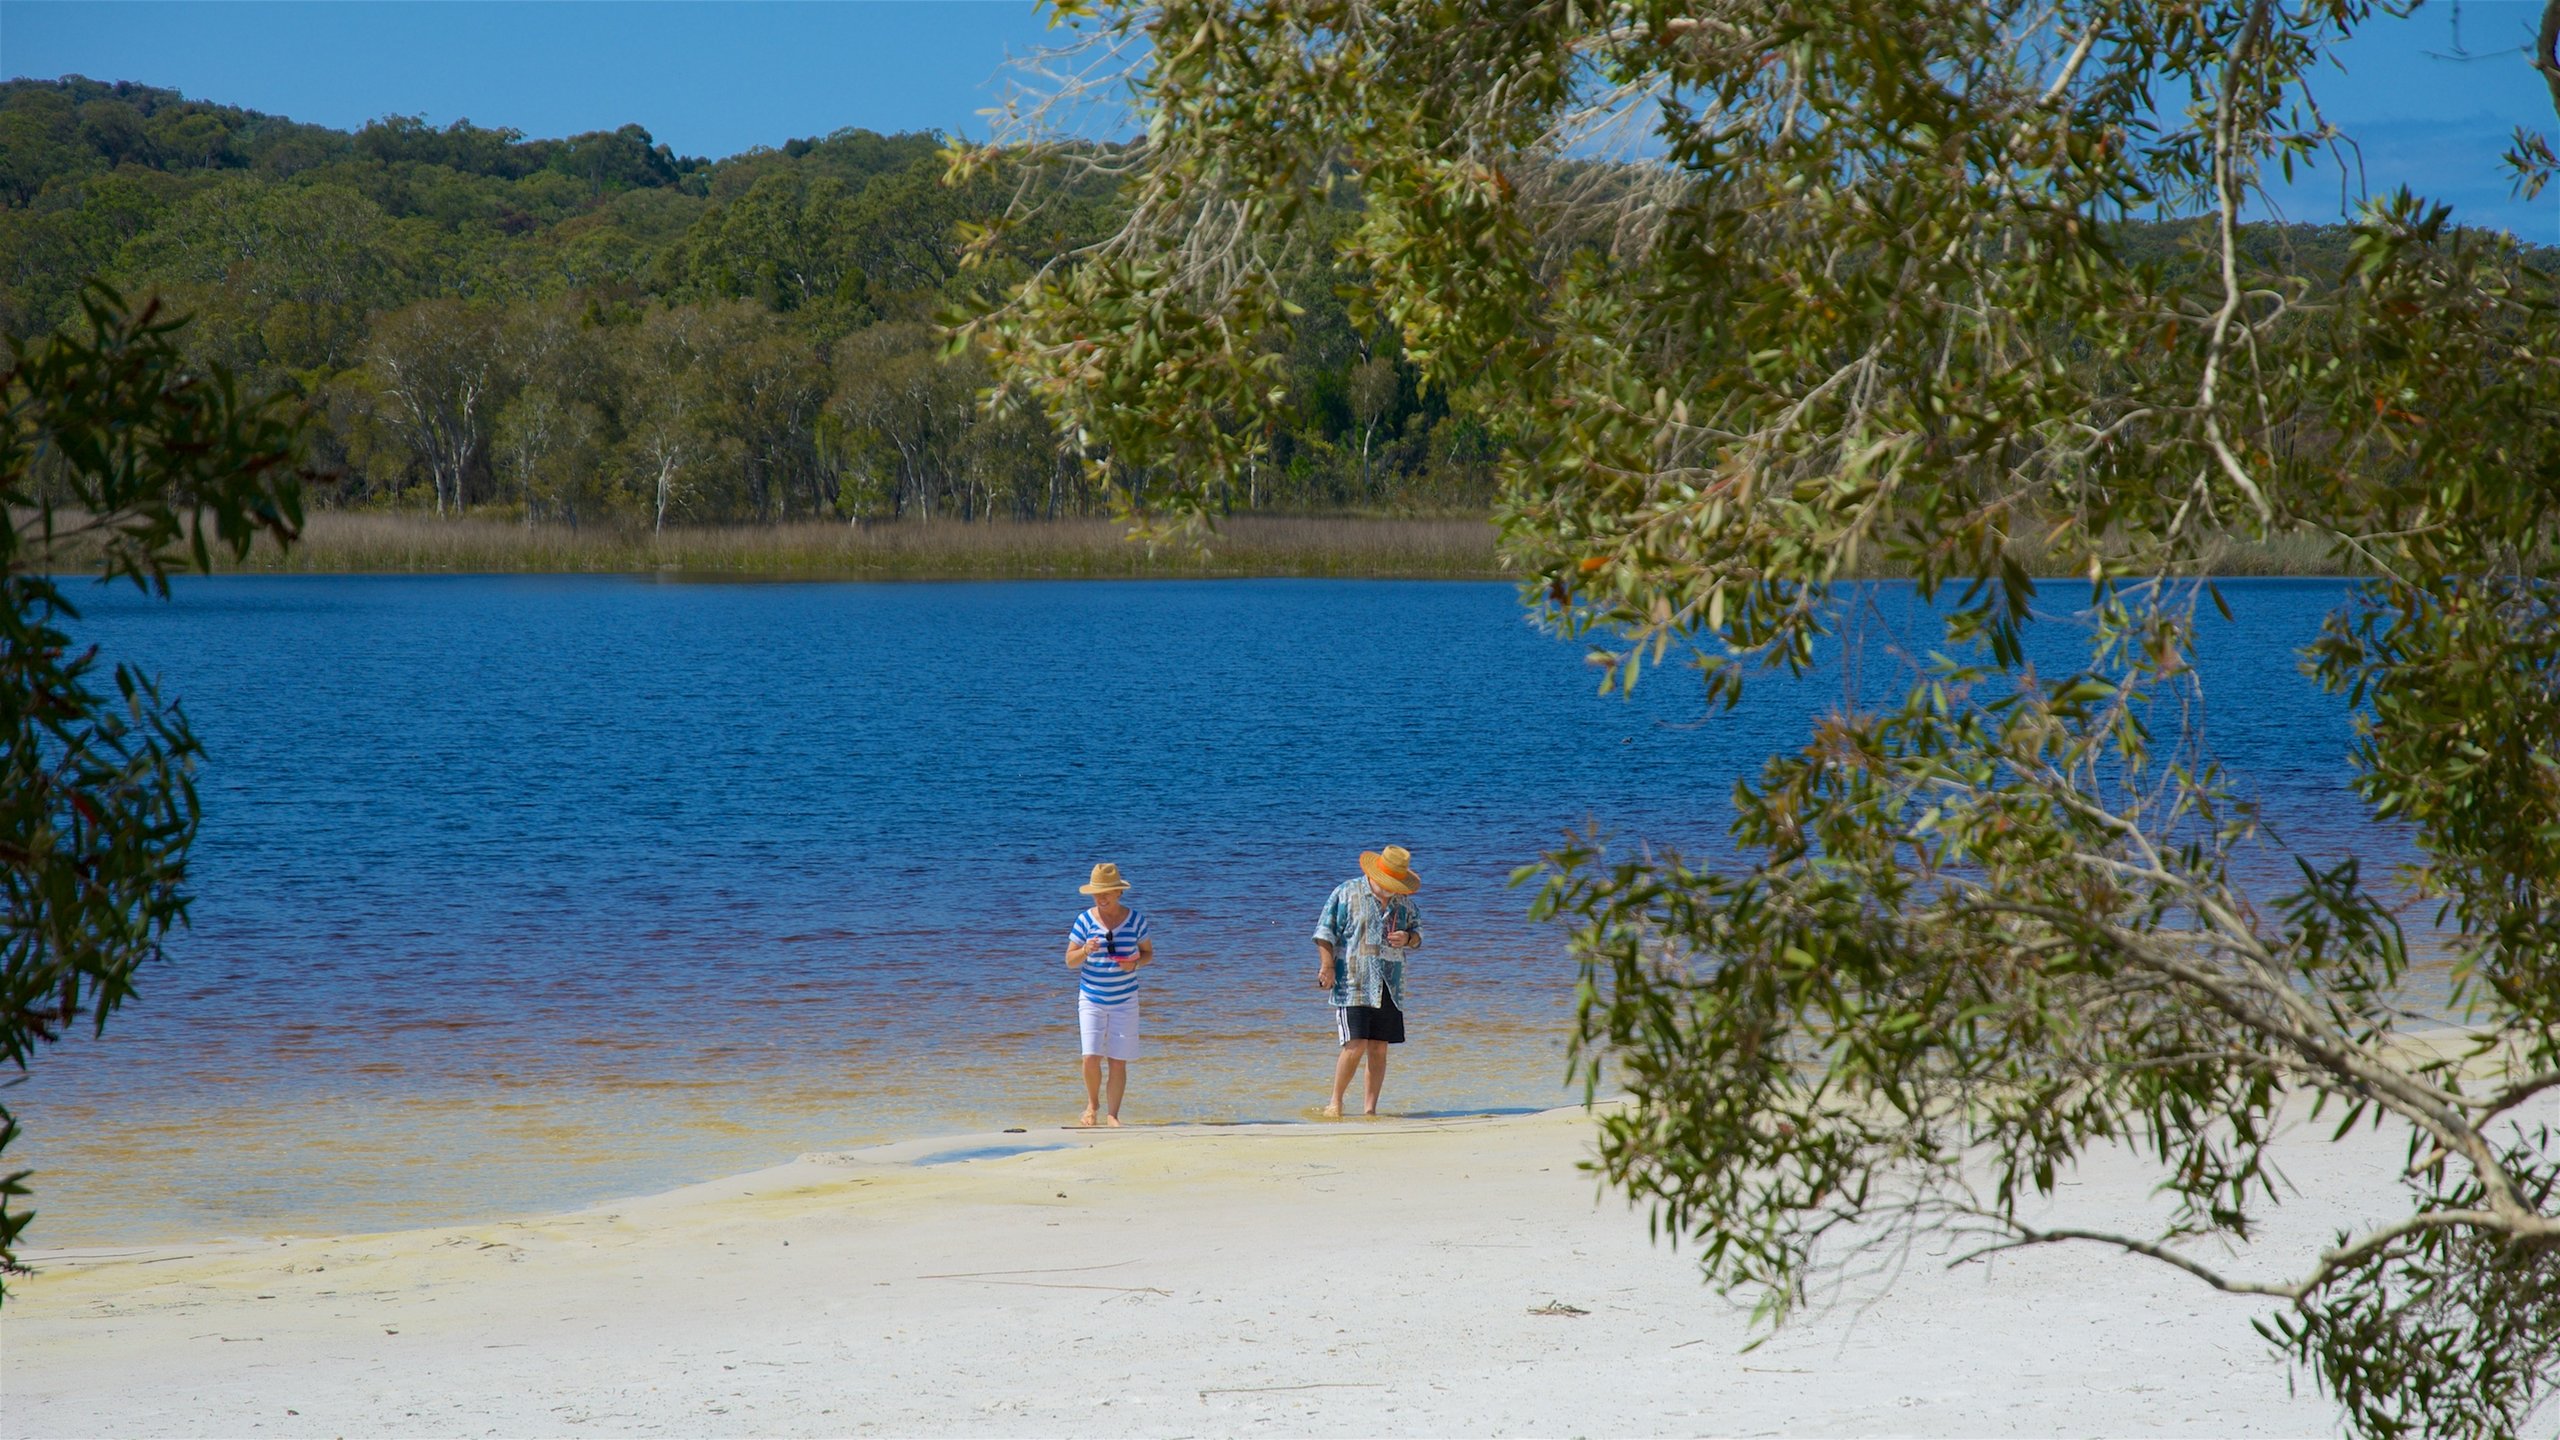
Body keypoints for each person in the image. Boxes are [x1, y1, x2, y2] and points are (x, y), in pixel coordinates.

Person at [1313, 845, 1423, 1118]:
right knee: (1355, 1044)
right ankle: (1335, 1103)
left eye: (1395, 884)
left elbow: (1418, 935)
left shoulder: (1404, 902)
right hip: (1353, 981)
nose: (1391, 888)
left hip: (1390, 983)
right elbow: (1325, 932)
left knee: (1378, 1047)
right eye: (1387, 883)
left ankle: (1370, 1110)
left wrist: (1407, 939)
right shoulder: (1347, 892)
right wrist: (1327, 967)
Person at [1065, 862, 1152, 1127]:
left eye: (1106, 892)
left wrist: (1134, 964)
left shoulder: (1136, 920)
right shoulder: (1084, 920)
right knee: (1090, 1056)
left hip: (1125, 999)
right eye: (1096, 893)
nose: (1100, 898)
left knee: (1118, 1060)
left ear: (1118, 893)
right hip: (1091, 997)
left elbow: (1148, 953)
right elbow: (1070, 960)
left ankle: (1113, 1114)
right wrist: (1086, 951)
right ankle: (1092, 1106)